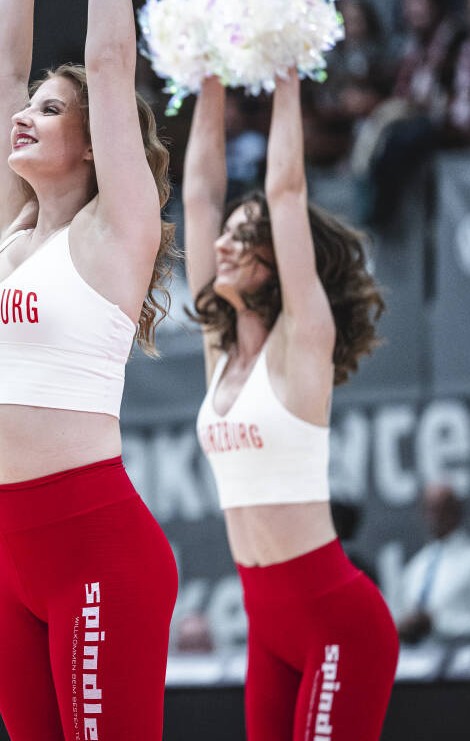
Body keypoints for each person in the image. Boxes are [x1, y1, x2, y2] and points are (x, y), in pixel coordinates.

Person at [0, 0, 178, 741]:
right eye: (34, 106)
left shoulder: (114, 232)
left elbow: (109, 61)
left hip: (97, 554)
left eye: (51, 111)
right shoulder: (15, 231)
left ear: (94, 144)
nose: (25, 115)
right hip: (11, 559)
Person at [185, 72, 396, 741]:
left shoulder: (302, 339)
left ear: (277, 260)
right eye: (226, 235)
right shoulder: (221, 349)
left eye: (243, 237)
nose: (222, 244)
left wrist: (284, 72)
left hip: (336, 623)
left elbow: (285, 190)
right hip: (267, 626)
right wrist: (206, 77)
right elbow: (198, 197)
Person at [392, 483, 470, 642]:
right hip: (418, 655)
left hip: (463, 655)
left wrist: (438, 623)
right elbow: (400, 614)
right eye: (429, 509)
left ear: (457, 511)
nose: (435, 516)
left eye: (442, 509)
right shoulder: (418, 565)